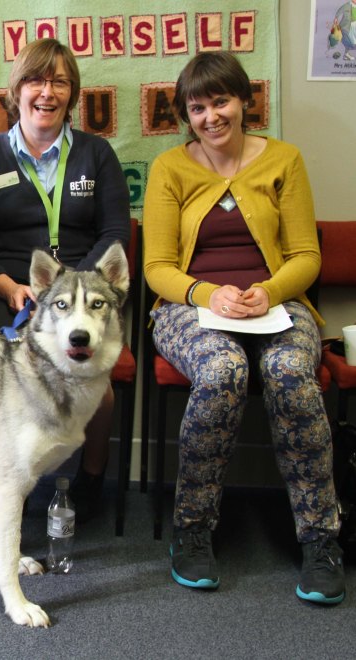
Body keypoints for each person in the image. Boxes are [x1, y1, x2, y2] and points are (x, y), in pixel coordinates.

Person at [143, 51, 345, 604]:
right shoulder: (169, 168)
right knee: (223, 371)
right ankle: (192, 530)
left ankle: (321, 539)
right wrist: (209, 294)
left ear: (244, 101)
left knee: (291, 374)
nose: (211, 117)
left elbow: (306, 255)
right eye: (197, 108)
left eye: (221, 101)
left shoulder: (285, 160)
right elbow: (157, 267)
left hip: (277, 305)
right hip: (189, 308)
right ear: (186, 115)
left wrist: (269, 292)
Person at [0, 38, 130, 522]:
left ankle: (91, 478)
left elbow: (114, 233)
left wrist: (68, 292)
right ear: (17, 90)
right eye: (36, 80)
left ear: (72, 94)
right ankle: (9, 476)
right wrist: (5, 285)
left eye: (60, 82)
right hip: (5, 292)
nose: (47, 92)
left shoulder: (96, 154)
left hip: (81, 298)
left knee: (99, 387)